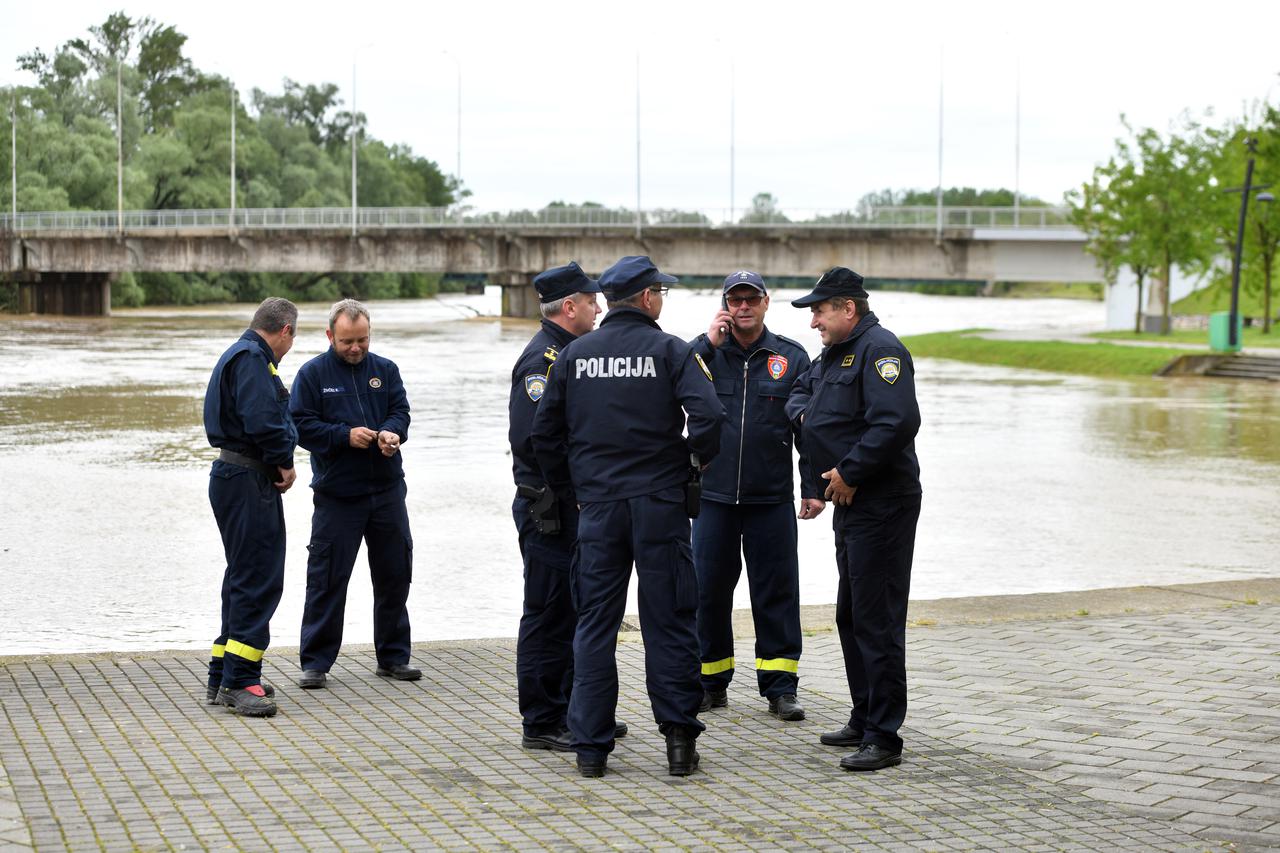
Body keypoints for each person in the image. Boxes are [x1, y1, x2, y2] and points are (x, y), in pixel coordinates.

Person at [531, 255, 724, 778]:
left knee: (594, 624)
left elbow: (543, 435)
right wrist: (688, 460)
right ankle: (679, 744)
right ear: (645, 298)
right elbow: (709, 418)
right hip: (659, 504)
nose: (662, 299)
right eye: (660, 291)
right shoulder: (671, 351)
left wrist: (576, 487)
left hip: (598, 508)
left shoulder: (575, 355)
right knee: (669, 622)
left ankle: (591, 750)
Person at [786, 267, 922, 772]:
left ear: (848, 308)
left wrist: (849, 470)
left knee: (877, 618)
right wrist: (808, 430)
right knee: (851, 615)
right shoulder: (835, 354)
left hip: (882, 501)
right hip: (850, 501)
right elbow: (800, 397)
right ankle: (865, 715)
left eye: (820, 310)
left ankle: (884, 737)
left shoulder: (880, 350)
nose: (814, 320)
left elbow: (897, 421)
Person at [688, 270, 819, 722]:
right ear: (725, 304)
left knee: (777, 593)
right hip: (712, 499)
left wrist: (814, 488)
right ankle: (710, 682)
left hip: (770, 500)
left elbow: (809, 430)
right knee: (706, 592)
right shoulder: (704, 354)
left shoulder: (792, 357)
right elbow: (673, 385)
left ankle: (780, 688)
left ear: (766, 303)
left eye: (751, 299)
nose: (743, 307)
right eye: (735, 300)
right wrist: (710, 341)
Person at [508, 261, 628, 751]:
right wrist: (574, 487)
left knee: (576, 611)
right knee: (548, 613)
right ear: (571, 306)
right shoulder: (543, 362)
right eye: (593, 299)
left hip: (572, 505)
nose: (600, 307)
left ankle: (576, 711)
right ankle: (541, 721)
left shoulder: (572, 354)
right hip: (550, 507)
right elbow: (535, 441)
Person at [290, 299, 419, 689]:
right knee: (327, 578)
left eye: (362, 339)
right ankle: (315, 662)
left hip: (386, 491)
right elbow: (300, 425)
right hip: (337, 496)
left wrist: (393, 432)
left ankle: (393, 658)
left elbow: (402, 412)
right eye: (347, 341)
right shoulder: (312, 375)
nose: (355, 348)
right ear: (330, 335)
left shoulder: (385, 370)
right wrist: (343, 436)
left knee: (395, 573)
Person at [203, 297, 300, 718]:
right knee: (259, 577)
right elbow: (263, 420)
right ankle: (242, 680)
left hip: (237, 477)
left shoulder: (242, 355)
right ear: (286, 332)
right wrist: (285, 460)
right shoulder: (253, 360)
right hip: (247, 479)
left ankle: (224, 673)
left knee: (243, 575)